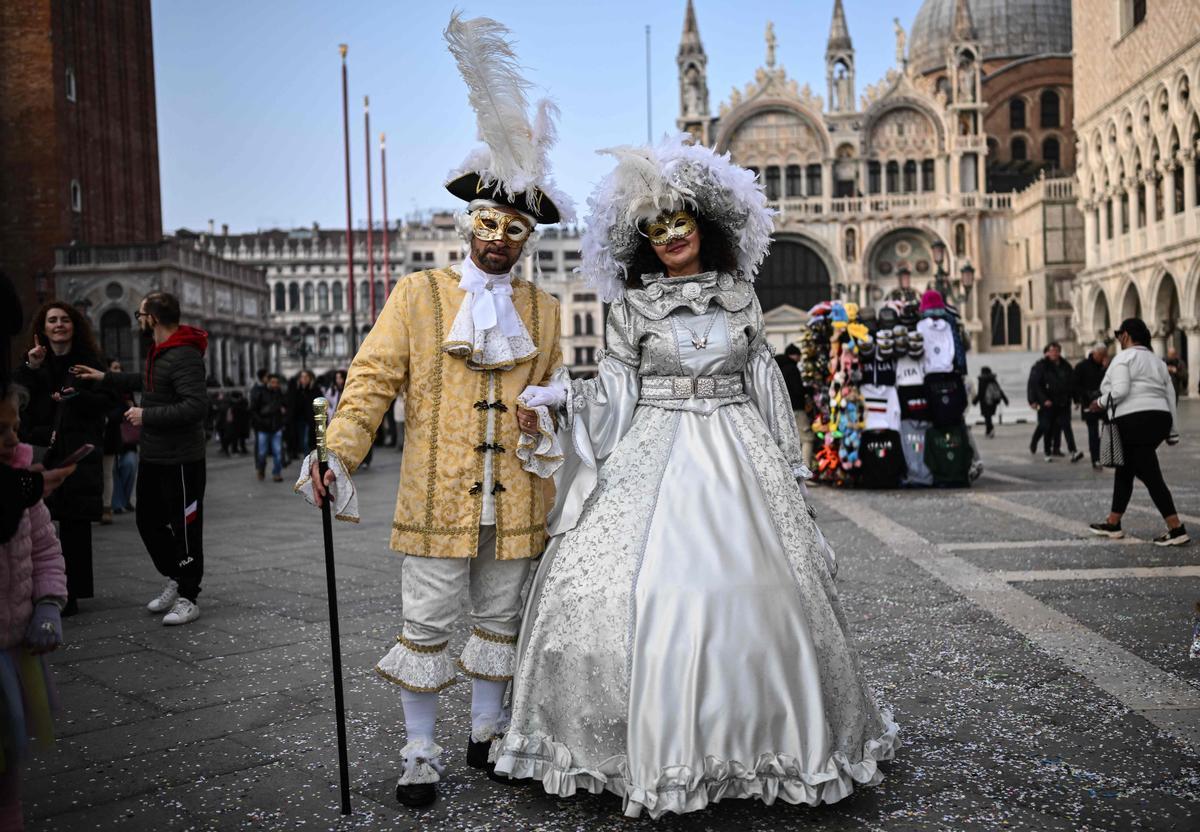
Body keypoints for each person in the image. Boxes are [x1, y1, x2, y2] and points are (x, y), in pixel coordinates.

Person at [494, 133, 897, 819]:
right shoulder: (630, 310)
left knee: (764, 585)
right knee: (639, 589)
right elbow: (617, 388)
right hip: (654, 448)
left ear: (702, 226)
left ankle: (767, 743)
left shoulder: (742, 300)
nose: (669, 236)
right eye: (654, 228)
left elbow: (763, 381)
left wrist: (786, 462)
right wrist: (562, 398)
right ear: (641, 241)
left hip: (739, 453)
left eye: (679, 221)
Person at [300, 13, 572, 809]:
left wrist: (546, 411)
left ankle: (485, 735)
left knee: (500, 616)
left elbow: (557, 386)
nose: (499, 240)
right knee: (426, 622)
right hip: (435, 494)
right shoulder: (420, 296)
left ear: (526, 239)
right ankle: (420, 749)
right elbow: (373, 378)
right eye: (489, 225)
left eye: (513, 230)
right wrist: (337, 454)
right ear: (468, 226)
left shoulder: (546, 312)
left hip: (517, 495)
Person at [72, 292, 209, 625]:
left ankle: (189, 596)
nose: (139, 319)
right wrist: (106, 377)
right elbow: (147, 383)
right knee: (147, 521)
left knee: (185, 528)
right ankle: (177, 575)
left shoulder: (185, 355)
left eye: (141, 314)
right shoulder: (159, 351)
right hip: (155, 455)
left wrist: (147, 415)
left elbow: (195, 407)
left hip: (181, 459)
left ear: (154, 319)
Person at [0, 382, 68, 832]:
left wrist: (47, 603)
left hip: (11, 645)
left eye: (16, 427)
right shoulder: (21, 486)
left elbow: (45, 550)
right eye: (0, 430)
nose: (12, 439)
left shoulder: (24, 488)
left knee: (7, 755)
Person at [14, 302, 110, 615]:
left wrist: (77, 397)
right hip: (42, 449)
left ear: (74, 325)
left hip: (77, 450)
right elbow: (18, 401)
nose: (58, 325)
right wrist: (31, 368)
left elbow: (106, 402)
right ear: (42, 328)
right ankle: (38, 588)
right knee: (37, 524)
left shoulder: (88, 362)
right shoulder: (33, 362)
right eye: (52, 320)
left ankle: (72, 592)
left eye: (64, 320)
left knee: (75, 524)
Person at [1088, 318, 1188, 546]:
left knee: (1150, 474)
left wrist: (1100, 403)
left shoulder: (1123, 358)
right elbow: (1170, 396)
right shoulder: (1158, 362)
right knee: (1126, 469)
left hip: (1134, 419)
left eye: (1118, 336)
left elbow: (1120, 391)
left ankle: (1176, 528)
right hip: (1158, 419)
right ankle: (1113, 523)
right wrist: (1172, 431)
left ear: (1125, 336)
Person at [1028, 342, 1082, 463]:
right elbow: (1035, 385)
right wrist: (1038, 400)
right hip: (1047, 403)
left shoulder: (1065, 365)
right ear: (1047, 352)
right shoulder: (1041, 366)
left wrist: (1076, 399)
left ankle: (1073, 451)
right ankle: (1046, 450)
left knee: (1066, 426)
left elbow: (1072, 383)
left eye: (1057, 351)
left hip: (1063, 402)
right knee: (1046, 427)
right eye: (1052, 351)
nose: (1054, 353)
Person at [775, 343, 814, 468]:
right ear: (794, 355)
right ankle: (806, 470)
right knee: (808, 439)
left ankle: (791, 470)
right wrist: (809, 390)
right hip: (796, 409)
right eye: (799, 356)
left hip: (783, 409)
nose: (800, 359)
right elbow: (797, 390)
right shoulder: (792, 368)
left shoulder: (778, 368)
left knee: (791, 441)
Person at [1074, 342, 1108, 469]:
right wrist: (1079, 399)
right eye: (1100, 355)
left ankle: (1107, 454)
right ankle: (1095, 459)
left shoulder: (1107, 367)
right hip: (1088, 403)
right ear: (1094, 353)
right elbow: (1076, 384)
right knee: (1093, 432)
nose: (1102, 358)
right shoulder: (1082, 366)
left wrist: (1105, 368)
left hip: (1104, 402)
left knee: (1108, 428)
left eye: (1104, 355)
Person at [252, 374, 287, 482]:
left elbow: (285, 407)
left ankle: (276, 473)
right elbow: (254, 409)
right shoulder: (261, 393)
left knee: (277, 452)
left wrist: (283, 416)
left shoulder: (280, 394)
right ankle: (261, 469)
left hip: (276, 427)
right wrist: (260, 422)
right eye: (272, 382)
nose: (275, 384)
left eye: (276, 382)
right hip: (263, 428)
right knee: (262, 453)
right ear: (268, 382)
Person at [972, 366, 1008, 437]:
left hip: (985, 402)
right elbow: (999, 390)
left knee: (987, 417)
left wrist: (975, 401)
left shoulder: (982, 380)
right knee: (988, 416)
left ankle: (990, 429)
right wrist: (1005, 399)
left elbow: (981, 393)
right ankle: (988, 431)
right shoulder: (993, 379)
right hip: (993, 401)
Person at [291, 369, 320, 455]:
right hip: (299, 420)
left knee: (306, 442)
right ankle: (307, 461)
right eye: (302, 377)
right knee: (302, 442)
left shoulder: (314, 389)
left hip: (310, 420)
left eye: (306, 377)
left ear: (310, 378)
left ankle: (307, 463)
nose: (304, 379)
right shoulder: (297, 390)